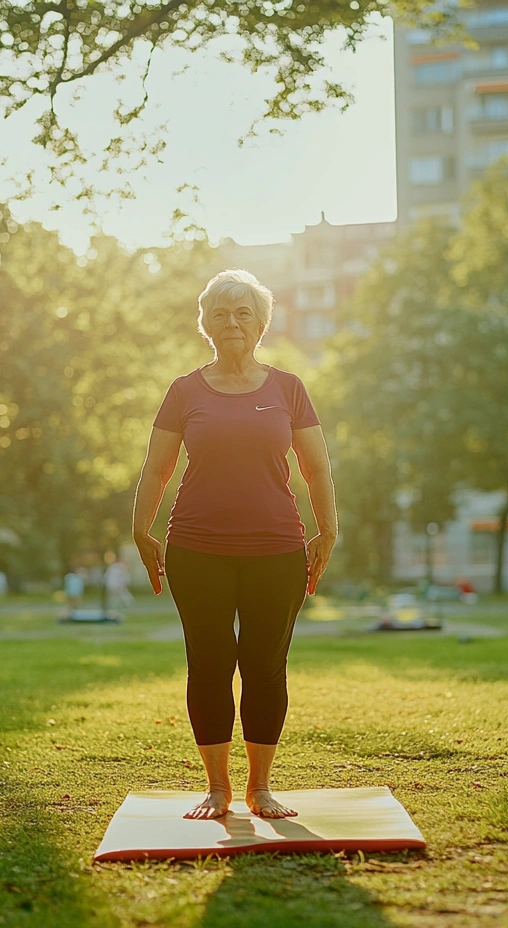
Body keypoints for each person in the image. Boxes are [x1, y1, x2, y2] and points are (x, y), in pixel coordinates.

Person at [132, 268, 337, 820]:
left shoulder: (288, 388)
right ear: (205, 323)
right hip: (197, 549)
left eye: (243, 312)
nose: (232, 322)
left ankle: (260, 788)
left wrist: (328, 530)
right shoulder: (184, 391)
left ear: (262, 323)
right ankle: (218, 787)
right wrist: (140, 528)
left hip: (277, 548)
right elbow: (156, 471)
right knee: (210, 662)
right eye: (220, 313)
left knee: (266, 665)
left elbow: (316, 469)